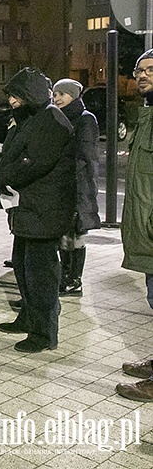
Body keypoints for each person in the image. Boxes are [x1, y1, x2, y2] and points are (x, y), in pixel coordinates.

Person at [0, 67, 75, 353]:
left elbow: (33, 162)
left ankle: (44, 333)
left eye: (17, 96)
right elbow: (13, 153)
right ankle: (29, 317)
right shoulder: (32, 119)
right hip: (29, 208)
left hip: (45, 210)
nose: (13, 101)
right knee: (24, 268)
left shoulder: (51, 121)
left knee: (40, 275)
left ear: (32, 95)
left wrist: (2, 177)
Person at [115, 49, 153, 401]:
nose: (142, 75)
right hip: (145, 230)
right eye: (139, 70)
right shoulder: (147, 115)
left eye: (151, 70)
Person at [51, 78, 100, 296]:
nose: (57, 98)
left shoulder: (84, 119)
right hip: (60, 184)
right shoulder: (57, 117)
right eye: (55, 94)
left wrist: (81, 188)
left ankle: (73, 279)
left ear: (73, 95)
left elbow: (85, 157)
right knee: (63, 235)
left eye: (62, 94)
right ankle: (66, 275)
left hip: (76, 184)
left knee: (75, 235)